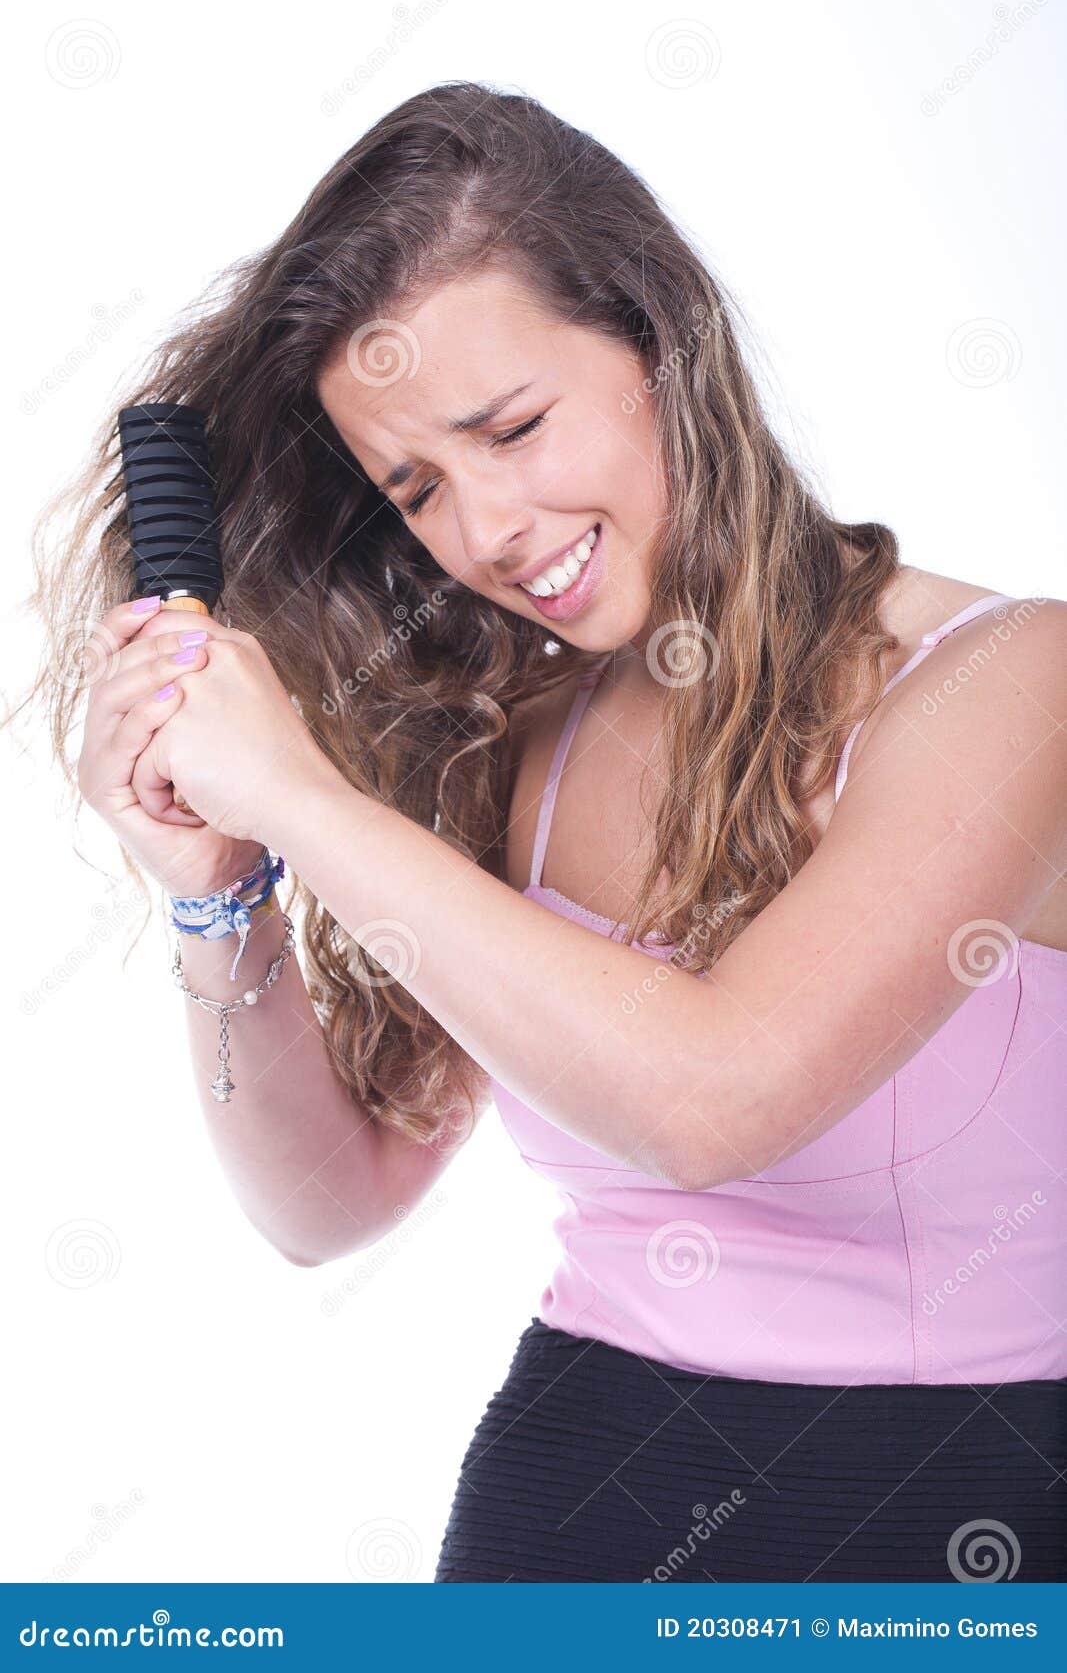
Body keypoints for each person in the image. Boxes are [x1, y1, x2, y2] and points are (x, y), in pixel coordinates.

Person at [19, 81, 1066, 1582]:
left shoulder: (1011, 684)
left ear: (662, 338)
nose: (490, 527)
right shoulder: (515, 738)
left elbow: (717, 1098)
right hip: (568, 1510)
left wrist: (301, 796)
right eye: (420, 488)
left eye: (513, 427)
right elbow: (331, 1203)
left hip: (963, 1527)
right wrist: (222, 894)